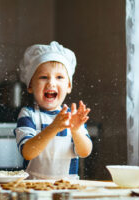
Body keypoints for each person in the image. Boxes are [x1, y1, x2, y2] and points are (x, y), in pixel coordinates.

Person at [14, 41, 92, 180]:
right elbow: (27, 152)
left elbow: (85, 152)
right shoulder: (28, 114)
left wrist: (75, 130)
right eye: (44, 77)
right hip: (34, 189)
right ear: (30, 85)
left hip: (67, 189)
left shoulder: (72, 117)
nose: (51, 83)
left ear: (69, 86)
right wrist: (54, 127)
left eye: (59, 77)